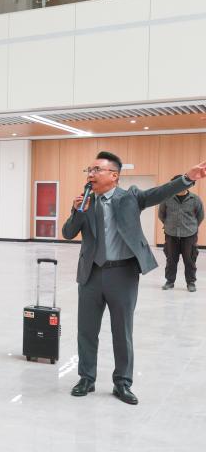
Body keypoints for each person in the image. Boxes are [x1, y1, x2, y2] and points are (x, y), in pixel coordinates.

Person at [65, 152, 206, 405]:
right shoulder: (85, 202)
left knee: (122, 331)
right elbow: (67, 233)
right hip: (90, 274)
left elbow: (159, 193)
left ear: (114, 175)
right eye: (89, 170)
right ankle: (86, 378)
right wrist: (77, 211)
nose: (90, 174)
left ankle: (122, 382)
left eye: (96, 170)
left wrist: (187, 178)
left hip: (122, 274)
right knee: (86, 330)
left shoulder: (129, 197)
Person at [158, 175, 203, 292]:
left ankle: (191, 282)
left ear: (187, 185)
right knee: (171, 259)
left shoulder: (195, 199)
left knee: (190, 260)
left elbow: (200, 216)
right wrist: (169, 225)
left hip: (189, 235)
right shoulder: (167, 198)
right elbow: (161, 215)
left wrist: (191, 227)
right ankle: (170, 281)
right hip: (171, 234)